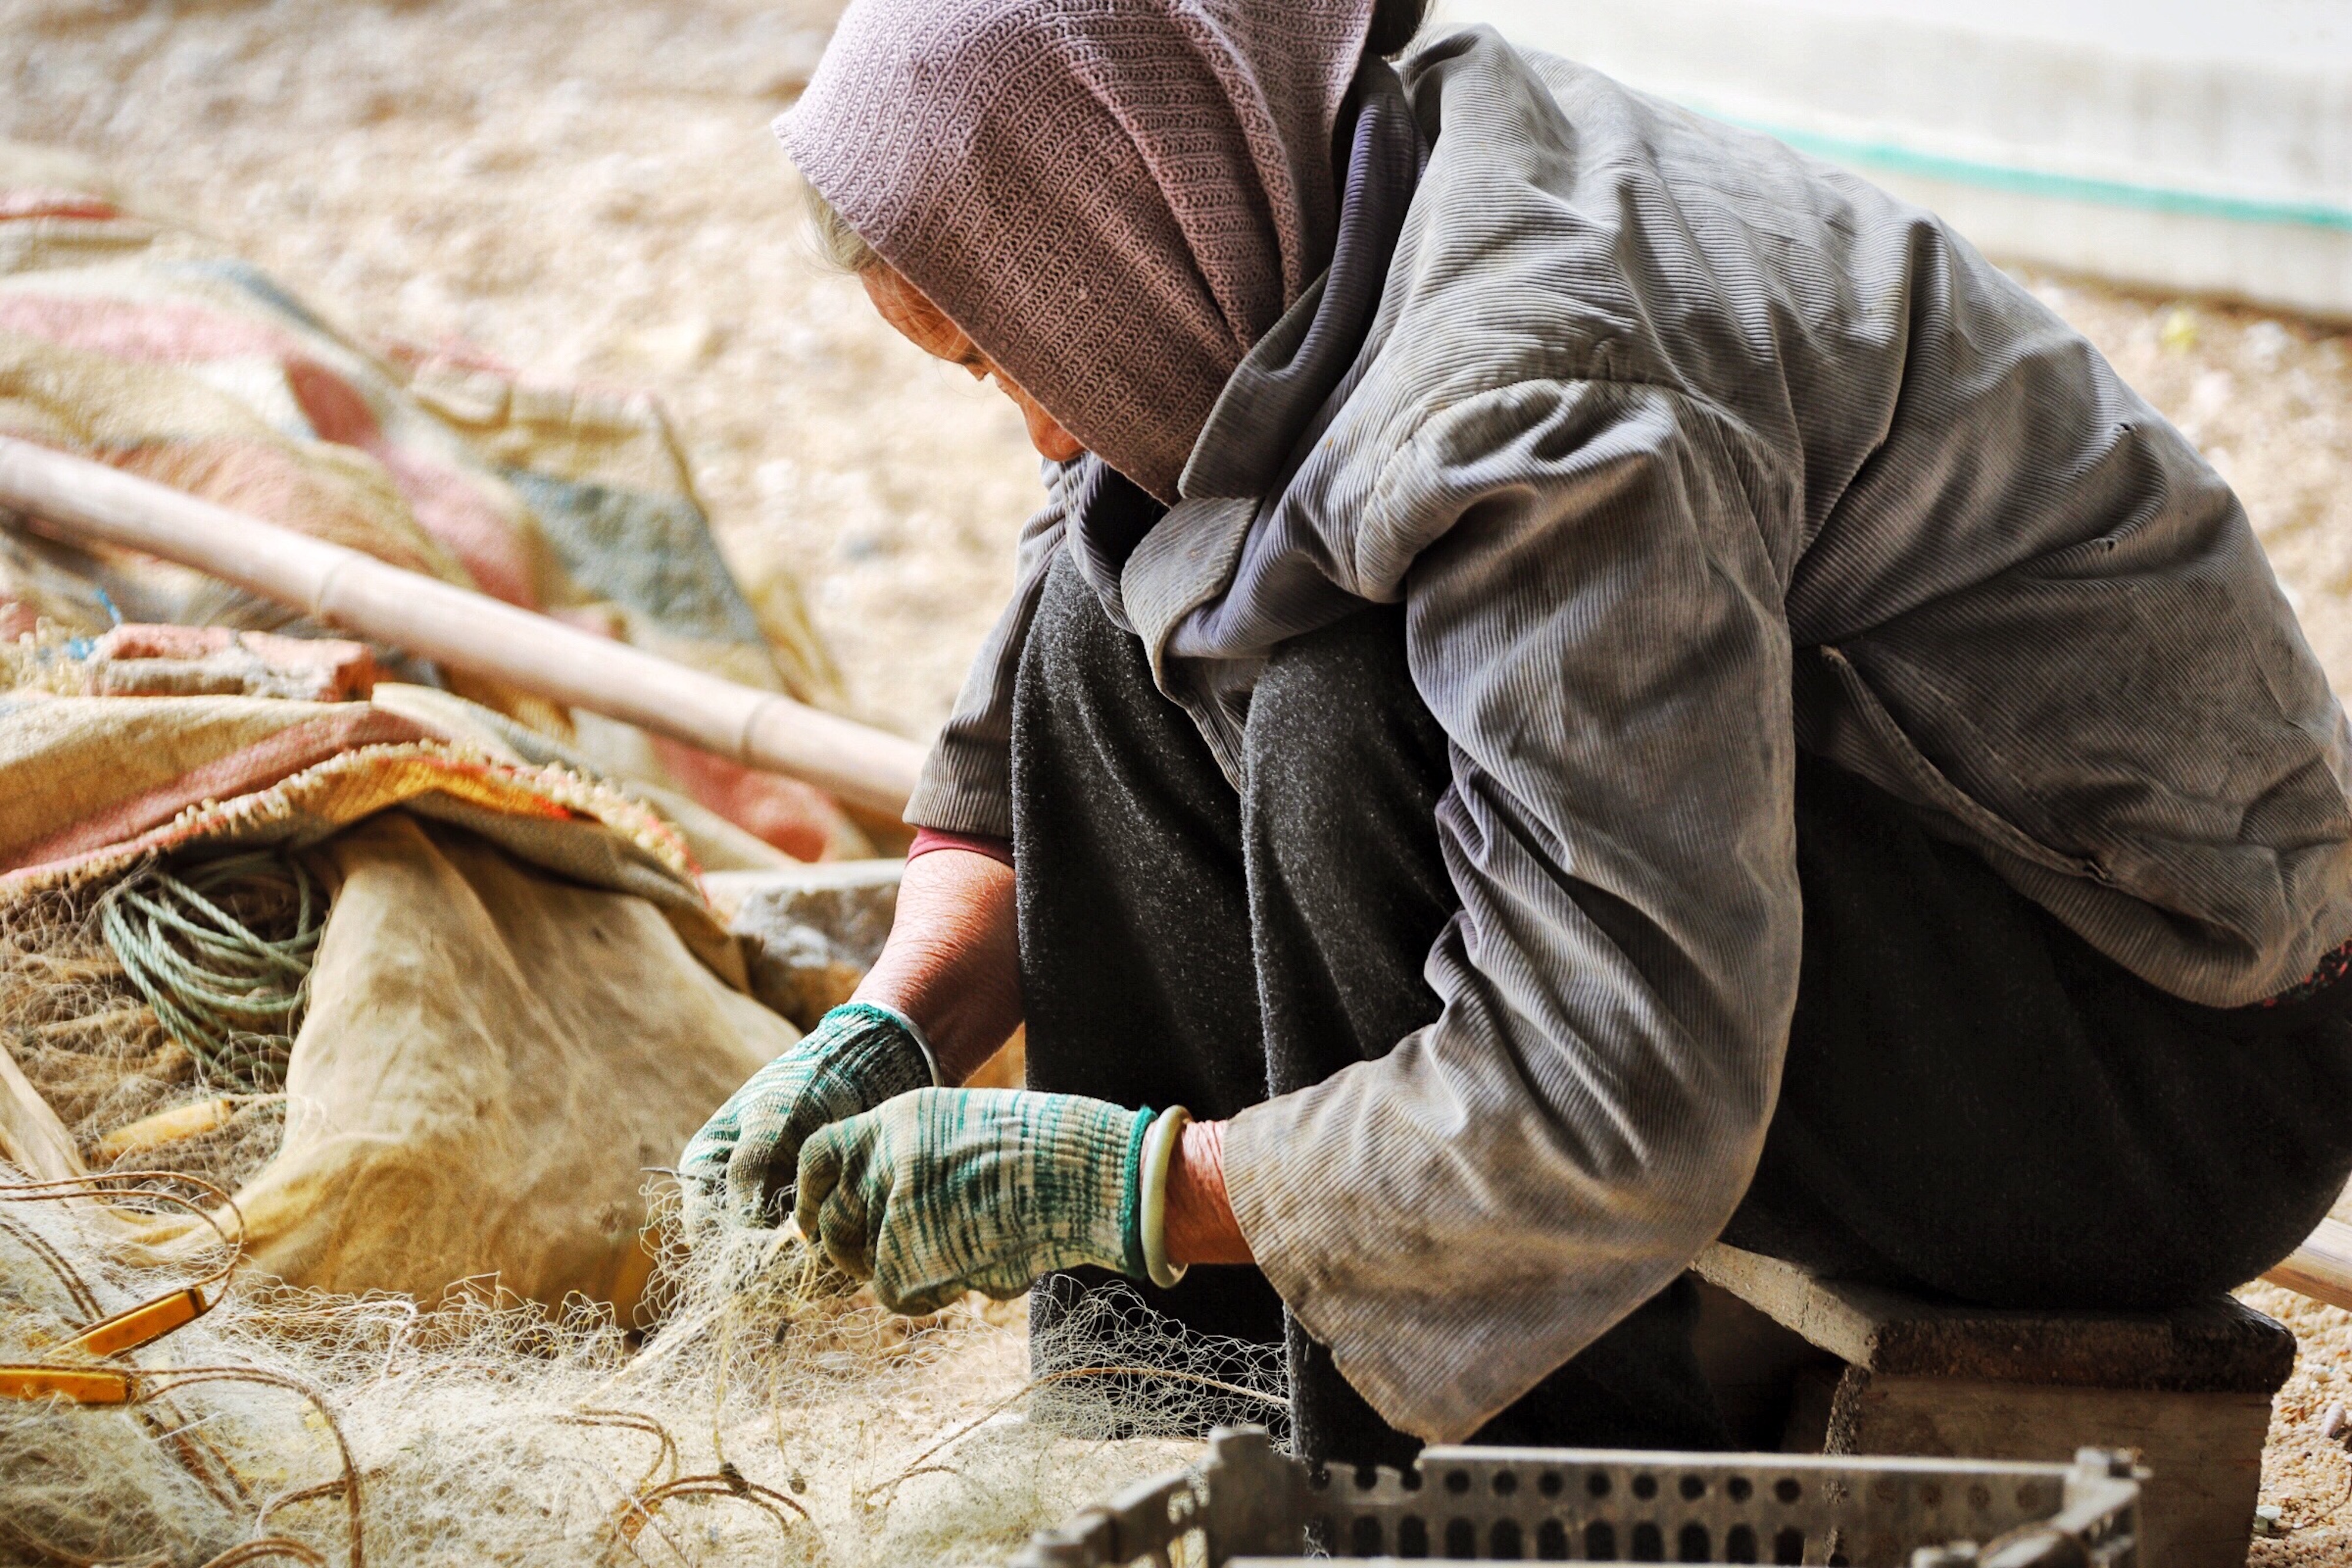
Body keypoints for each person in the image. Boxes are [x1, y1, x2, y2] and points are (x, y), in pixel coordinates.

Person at [683, 0, 2352, 1465]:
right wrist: (893, 1025)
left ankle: (1495, 1495)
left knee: (1348, 706)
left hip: (2168, 1050)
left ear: (1116, 211)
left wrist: (1140, 1189)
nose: (1042, 418)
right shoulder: (1297, 213)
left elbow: (1620, 1082)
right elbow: (1039, 685)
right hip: (1929, 938)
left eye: (1008, 353)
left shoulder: (1540, 393)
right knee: (1112, 617)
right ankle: (1179, 1432)